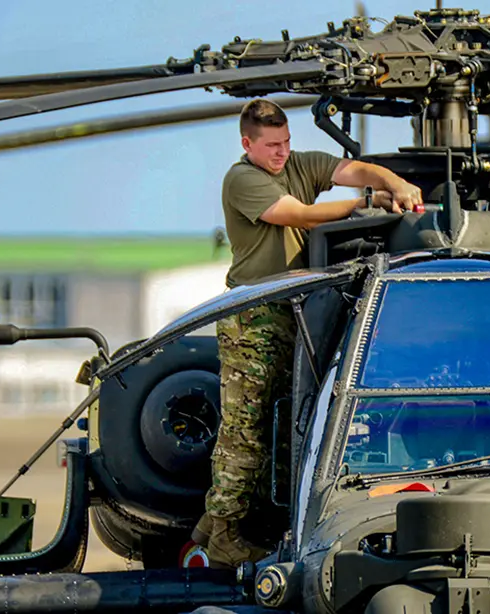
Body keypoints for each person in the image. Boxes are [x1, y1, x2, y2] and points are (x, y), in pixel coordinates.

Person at [192, 98, 423, 568]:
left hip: (292, 310)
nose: (281, 153)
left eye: (286, 143)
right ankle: (223, 541)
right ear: (247, 144)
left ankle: (217, 525)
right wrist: (365, 203)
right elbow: (296, 214)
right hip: (252, 316)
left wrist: (392, 183)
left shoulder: (298, 164)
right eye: (272, 146)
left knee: (282, 425)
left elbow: (353, 169)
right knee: (247, 431)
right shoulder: (242, 179)